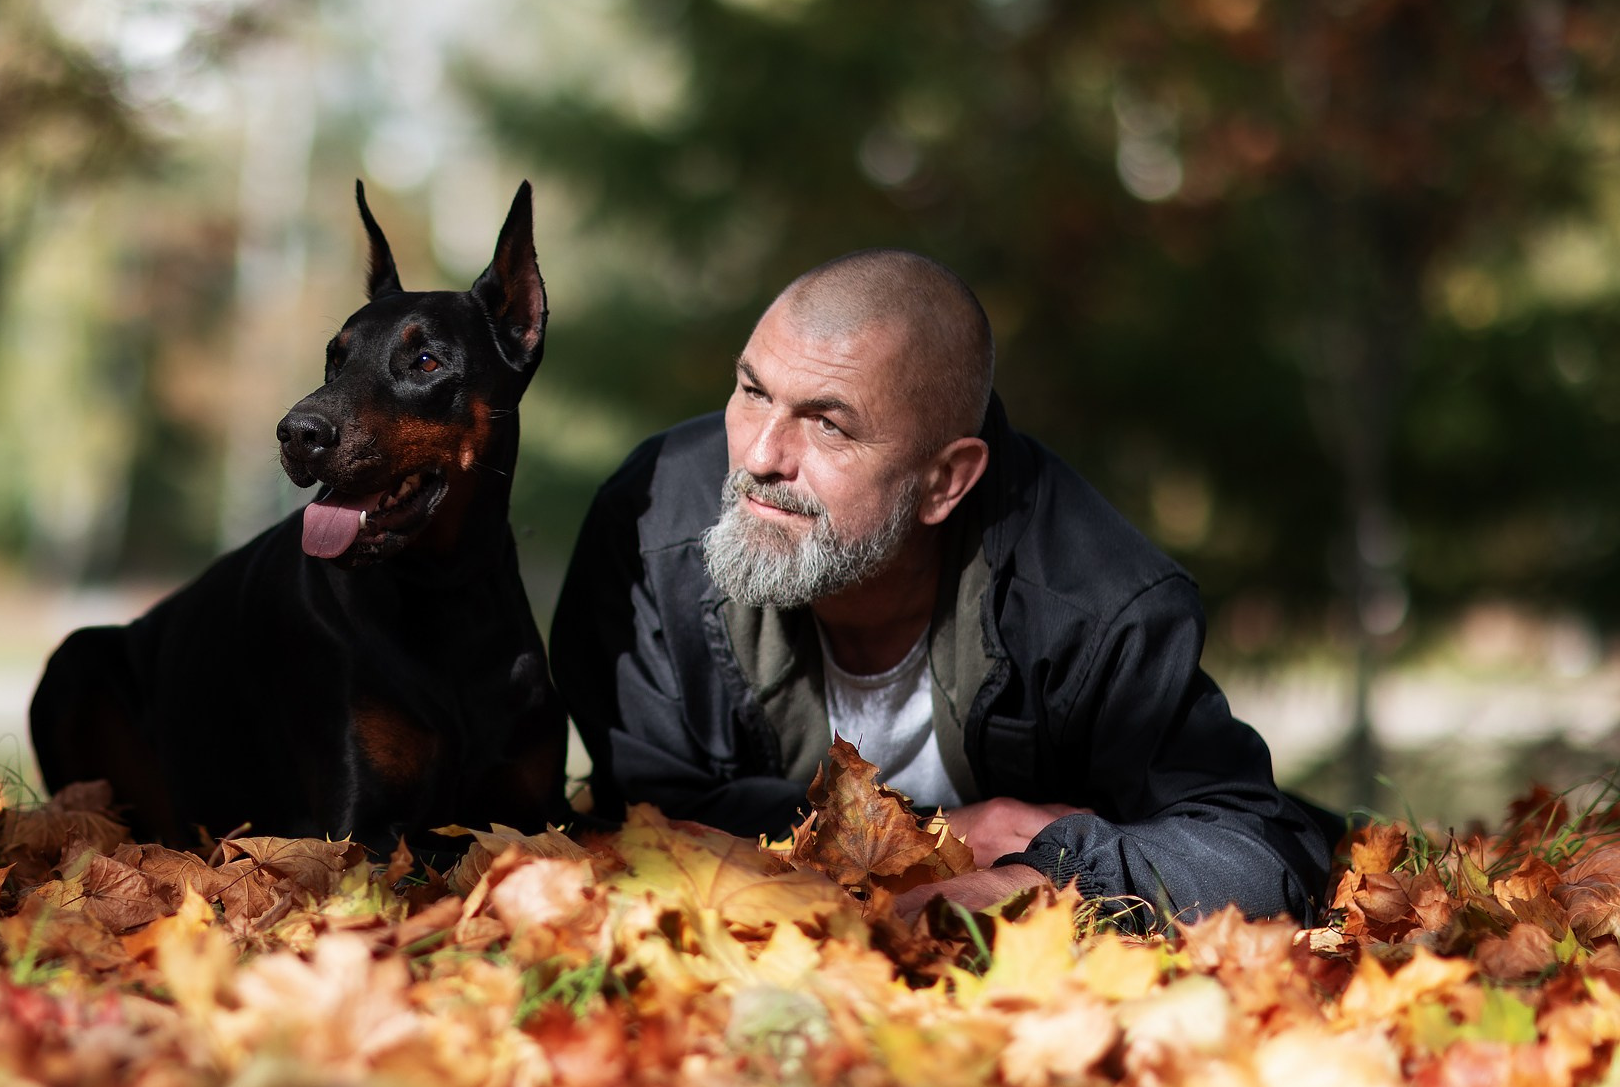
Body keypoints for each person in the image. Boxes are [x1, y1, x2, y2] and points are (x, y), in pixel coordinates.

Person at [549, 249, 1340, 924]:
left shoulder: (1096, 603)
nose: (760, 454)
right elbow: (643, 816)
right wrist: (942, 831)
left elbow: (1251, 845)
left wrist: (1036, 881)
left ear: (945, 481)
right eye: (753, 389)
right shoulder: (652, 529)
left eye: (828, 424)